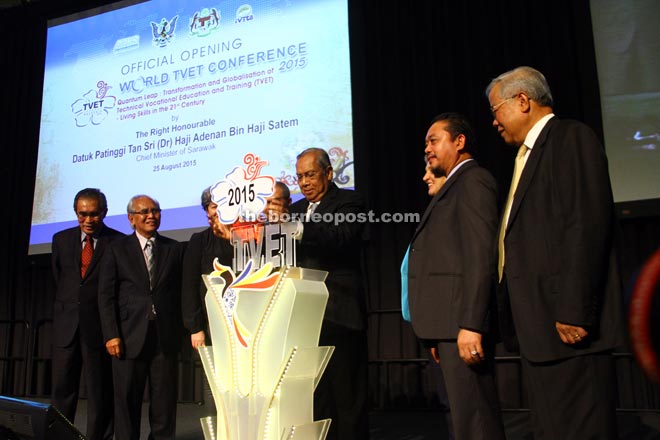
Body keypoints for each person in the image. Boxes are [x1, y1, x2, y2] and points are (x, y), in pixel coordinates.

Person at [486, 66, 625, 439]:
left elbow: (586, 224)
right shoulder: (524, 157)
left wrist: (574, 309)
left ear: (522, 101)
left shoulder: (571, 138)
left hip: (569, 330)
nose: (494, 121)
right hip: (540, 333)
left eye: (496, 109)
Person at [407, 112, 505, 440]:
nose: (428, 150)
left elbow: (480, 257)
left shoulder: (473, 180)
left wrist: (472, 324)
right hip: (448, 328)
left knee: (476, 420)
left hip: (462, 326)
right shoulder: (454, 186)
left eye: (434, 141)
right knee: (464, 422)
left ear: (459, 141)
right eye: (425, 145)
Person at [289, 147, 368, 440]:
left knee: (348, 400)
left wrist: (297, 228)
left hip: (340, 315)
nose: (304, 182)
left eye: (310, 174)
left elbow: (340, 236)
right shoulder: (294, 210)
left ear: (329, 173)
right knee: (315, 400)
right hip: (303, 320)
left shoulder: (350, 201)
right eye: (299, 177)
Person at [98, 195, 184, 440]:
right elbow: (106, 296)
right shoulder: (116, 249)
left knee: (164, 401)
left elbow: (179, 292)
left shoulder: (174, 248)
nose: (151, 215)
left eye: (155, 210)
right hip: (127, 335)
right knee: (126, 400)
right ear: (131, 219)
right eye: (144, 211)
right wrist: (111, 334)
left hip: (164, 335)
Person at [50, 188, 123, 440]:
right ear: (75, 213)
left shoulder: (118, 241)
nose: (88, 220)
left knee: (99, 391)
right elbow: (61, 278)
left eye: (94, 214)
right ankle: (60, 436)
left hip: (99, 327)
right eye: (83, 215)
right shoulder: (60, 239)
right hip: (66, 325)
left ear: (104, 212)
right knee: (62, 390)